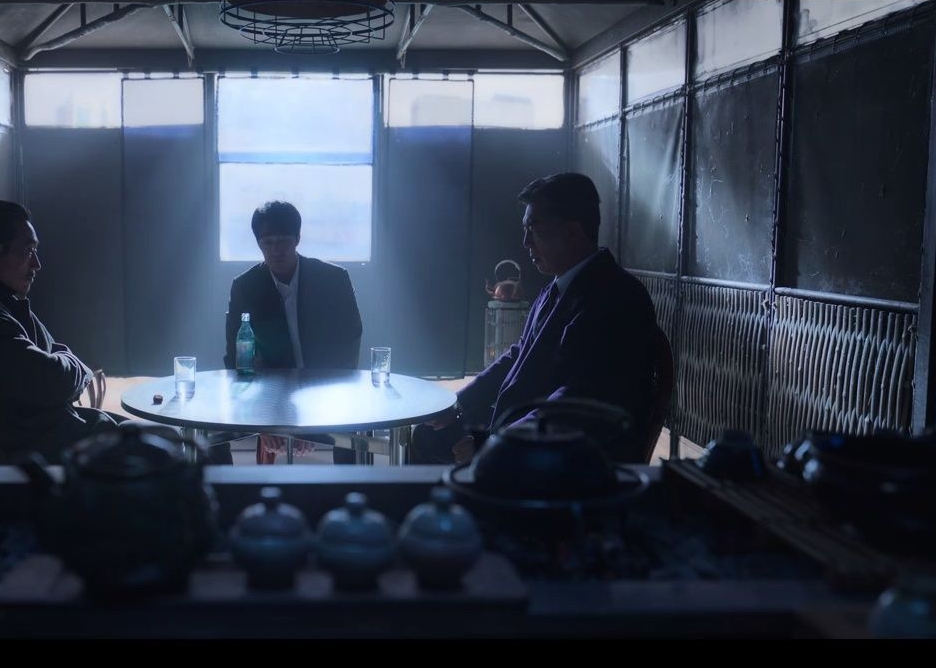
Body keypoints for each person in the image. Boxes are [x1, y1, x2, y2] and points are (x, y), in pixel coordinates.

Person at [410, 173, 658, 466]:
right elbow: (519, 355)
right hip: (521, 427)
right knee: (428, 433)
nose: (526, 242)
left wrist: (496, 443)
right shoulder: (556, 288)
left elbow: (577, 401)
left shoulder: (615, 298)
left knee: (441, 449)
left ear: (573, 232)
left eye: (533, 229)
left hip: (573, 456)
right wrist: (457, 403)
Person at [0, 201, 117, 464]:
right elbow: (56, 380)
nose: (37, 264)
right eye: (28, 251)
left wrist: (67, 367)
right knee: (160, 448)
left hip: (59, 442)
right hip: (42, 465)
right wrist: (77, 368)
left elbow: (57, 356)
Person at [222, 200, 364, 464]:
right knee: (208, 432)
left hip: (326, 387)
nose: (276, 250)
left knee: (354, 426)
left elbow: (349, 342)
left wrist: (313, 415)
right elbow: (235, 356)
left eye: (283, 241)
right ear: (258, 244)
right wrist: (261, 417)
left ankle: (351, 486)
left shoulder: (333, 279)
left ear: (297, 239)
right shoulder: (245, 286)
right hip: (271, 393)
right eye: (267, 242)